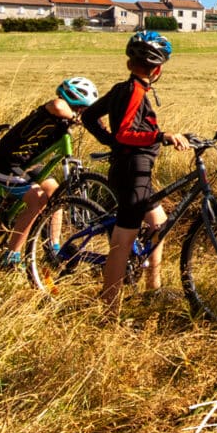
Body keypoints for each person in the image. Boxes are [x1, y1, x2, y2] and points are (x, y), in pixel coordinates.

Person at [77, 30, 191, 303]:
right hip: (132, 171)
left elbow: (90, 116)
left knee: (159, 223)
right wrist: (160, 136)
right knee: (123, 240)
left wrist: (110, 142)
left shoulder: (122, 88)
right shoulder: (135, 92)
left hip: (132, 169)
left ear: (130, 64)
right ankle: (109, 305)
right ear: (158, 69)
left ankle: (154, 288)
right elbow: (127, 132)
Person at [0, 76, 101, 270]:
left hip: (29, 164)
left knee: (56, 195)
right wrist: (77, 117)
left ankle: (53, 247)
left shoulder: (64, 121)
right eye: (80, 108)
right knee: (38, 200)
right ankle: (10, 256)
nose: (80, 114)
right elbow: (58, 105)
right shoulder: (52, 109)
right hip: (6, 162)